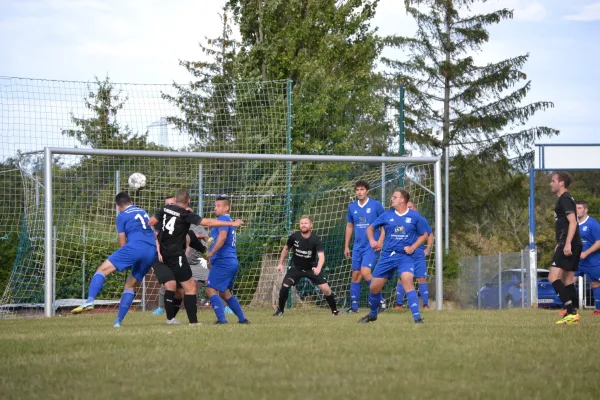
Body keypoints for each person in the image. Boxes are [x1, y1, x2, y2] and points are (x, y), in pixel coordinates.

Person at [148, 189, 243, 326]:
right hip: (176, 256)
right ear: (188, 201)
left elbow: (151, 222)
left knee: (177, 289)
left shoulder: (165, 209)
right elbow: (208, 223)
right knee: (191, 288)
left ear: (175, 199)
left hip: (162, 255)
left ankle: (170, 318)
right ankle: (193, 322)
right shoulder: (186, 214)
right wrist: (232, 223)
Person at [72, 192, 157, 328]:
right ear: (131, 201)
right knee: (130, 286)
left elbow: (122, 242)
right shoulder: (143, 211)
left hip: (135, 247)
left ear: (118, 206)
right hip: (152, 250)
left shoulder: (122, 216)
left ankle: (89, 300)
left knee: (102, 270)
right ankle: (118, 322)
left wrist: (126, 258)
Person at [358, 189, 429, 324]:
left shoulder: (415, 216)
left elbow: (424, 234)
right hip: (387, 257)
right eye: (392, 197)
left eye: (395, 197)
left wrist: (413, 247)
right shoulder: (387, 215)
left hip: (405, 257)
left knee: (408, 281)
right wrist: (373, 241)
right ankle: (373, 314)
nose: (392, 199)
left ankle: (417, 317)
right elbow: (370, 228)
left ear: (403, 200)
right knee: (374, 288)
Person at [273, 216, 340, 316]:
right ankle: (280, 310)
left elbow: (321, 257)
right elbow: (286, 249)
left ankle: (334, 311)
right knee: (285, 286)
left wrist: (318, 268)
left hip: (311, 269)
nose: (303, 225)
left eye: (306, 223)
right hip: (296, 268)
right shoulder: (294, 236)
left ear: (311, 225)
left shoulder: (315, 239)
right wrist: (280, 263)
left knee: (326, 289)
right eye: (301, 223)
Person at [204, 195, 250, 324]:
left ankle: (222, 320)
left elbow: (222, 238)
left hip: (223, 261)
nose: (215, 208)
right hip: (231, 261)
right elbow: (217, 238)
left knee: (210, 288)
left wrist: (211, 252)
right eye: (215, 205)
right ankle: (242, 319)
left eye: (218, 206)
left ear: (227, 207)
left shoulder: (223, 219)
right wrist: (205, 238)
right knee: (225, 292)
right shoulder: (227, 221)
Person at [343, 180, 385, 314]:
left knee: (365, 272)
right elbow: (350, 226)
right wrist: (346, 246)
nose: (359, 192)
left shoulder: (376, 205)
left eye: (362, 189)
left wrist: (381, 242)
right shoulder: (352, 207)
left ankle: (381, 301)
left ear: (367, 191)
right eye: (357, 190)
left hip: (372, 245)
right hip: (357, 246)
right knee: (355, 274)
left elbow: (385, 225)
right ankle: (354, 307)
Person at [549, 172, 582, 325]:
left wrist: (567, 243)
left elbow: (573, 222)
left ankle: (571, 311)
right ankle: (573, 315)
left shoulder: (565, 199)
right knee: (568, 279)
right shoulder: (566, 199)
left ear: (561, 183)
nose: (551, 183)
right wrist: (560, 242)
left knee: (553, 277)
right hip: (572, 242)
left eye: (553, 180)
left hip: (570, 243)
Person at [559, 200, 600, 316]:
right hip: (576, 260)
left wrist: (586, 253)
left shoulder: (592, 223)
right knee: (569, 281)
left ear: (586, 210)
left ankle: (598, 309)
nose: (577, 210)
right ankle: (570, 309)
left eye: (580, 208)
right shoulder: (572, 224)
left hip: (591, 260)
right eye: (575, 208)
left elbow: (599, 242)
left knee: (596, 283)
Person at [395, 201, 433, 310]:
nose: (409, 209)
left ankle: (425, 305)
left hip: (418, 254)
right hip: (404, 255)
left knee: (421, 278)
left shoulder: (421, 219)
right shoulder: (401, 220)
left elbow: (429, 234)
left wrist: (428, 248)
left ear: (415, 208)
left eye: (411, 207)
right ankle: (399, 304)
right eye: (407, 208)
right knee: (402, 278)